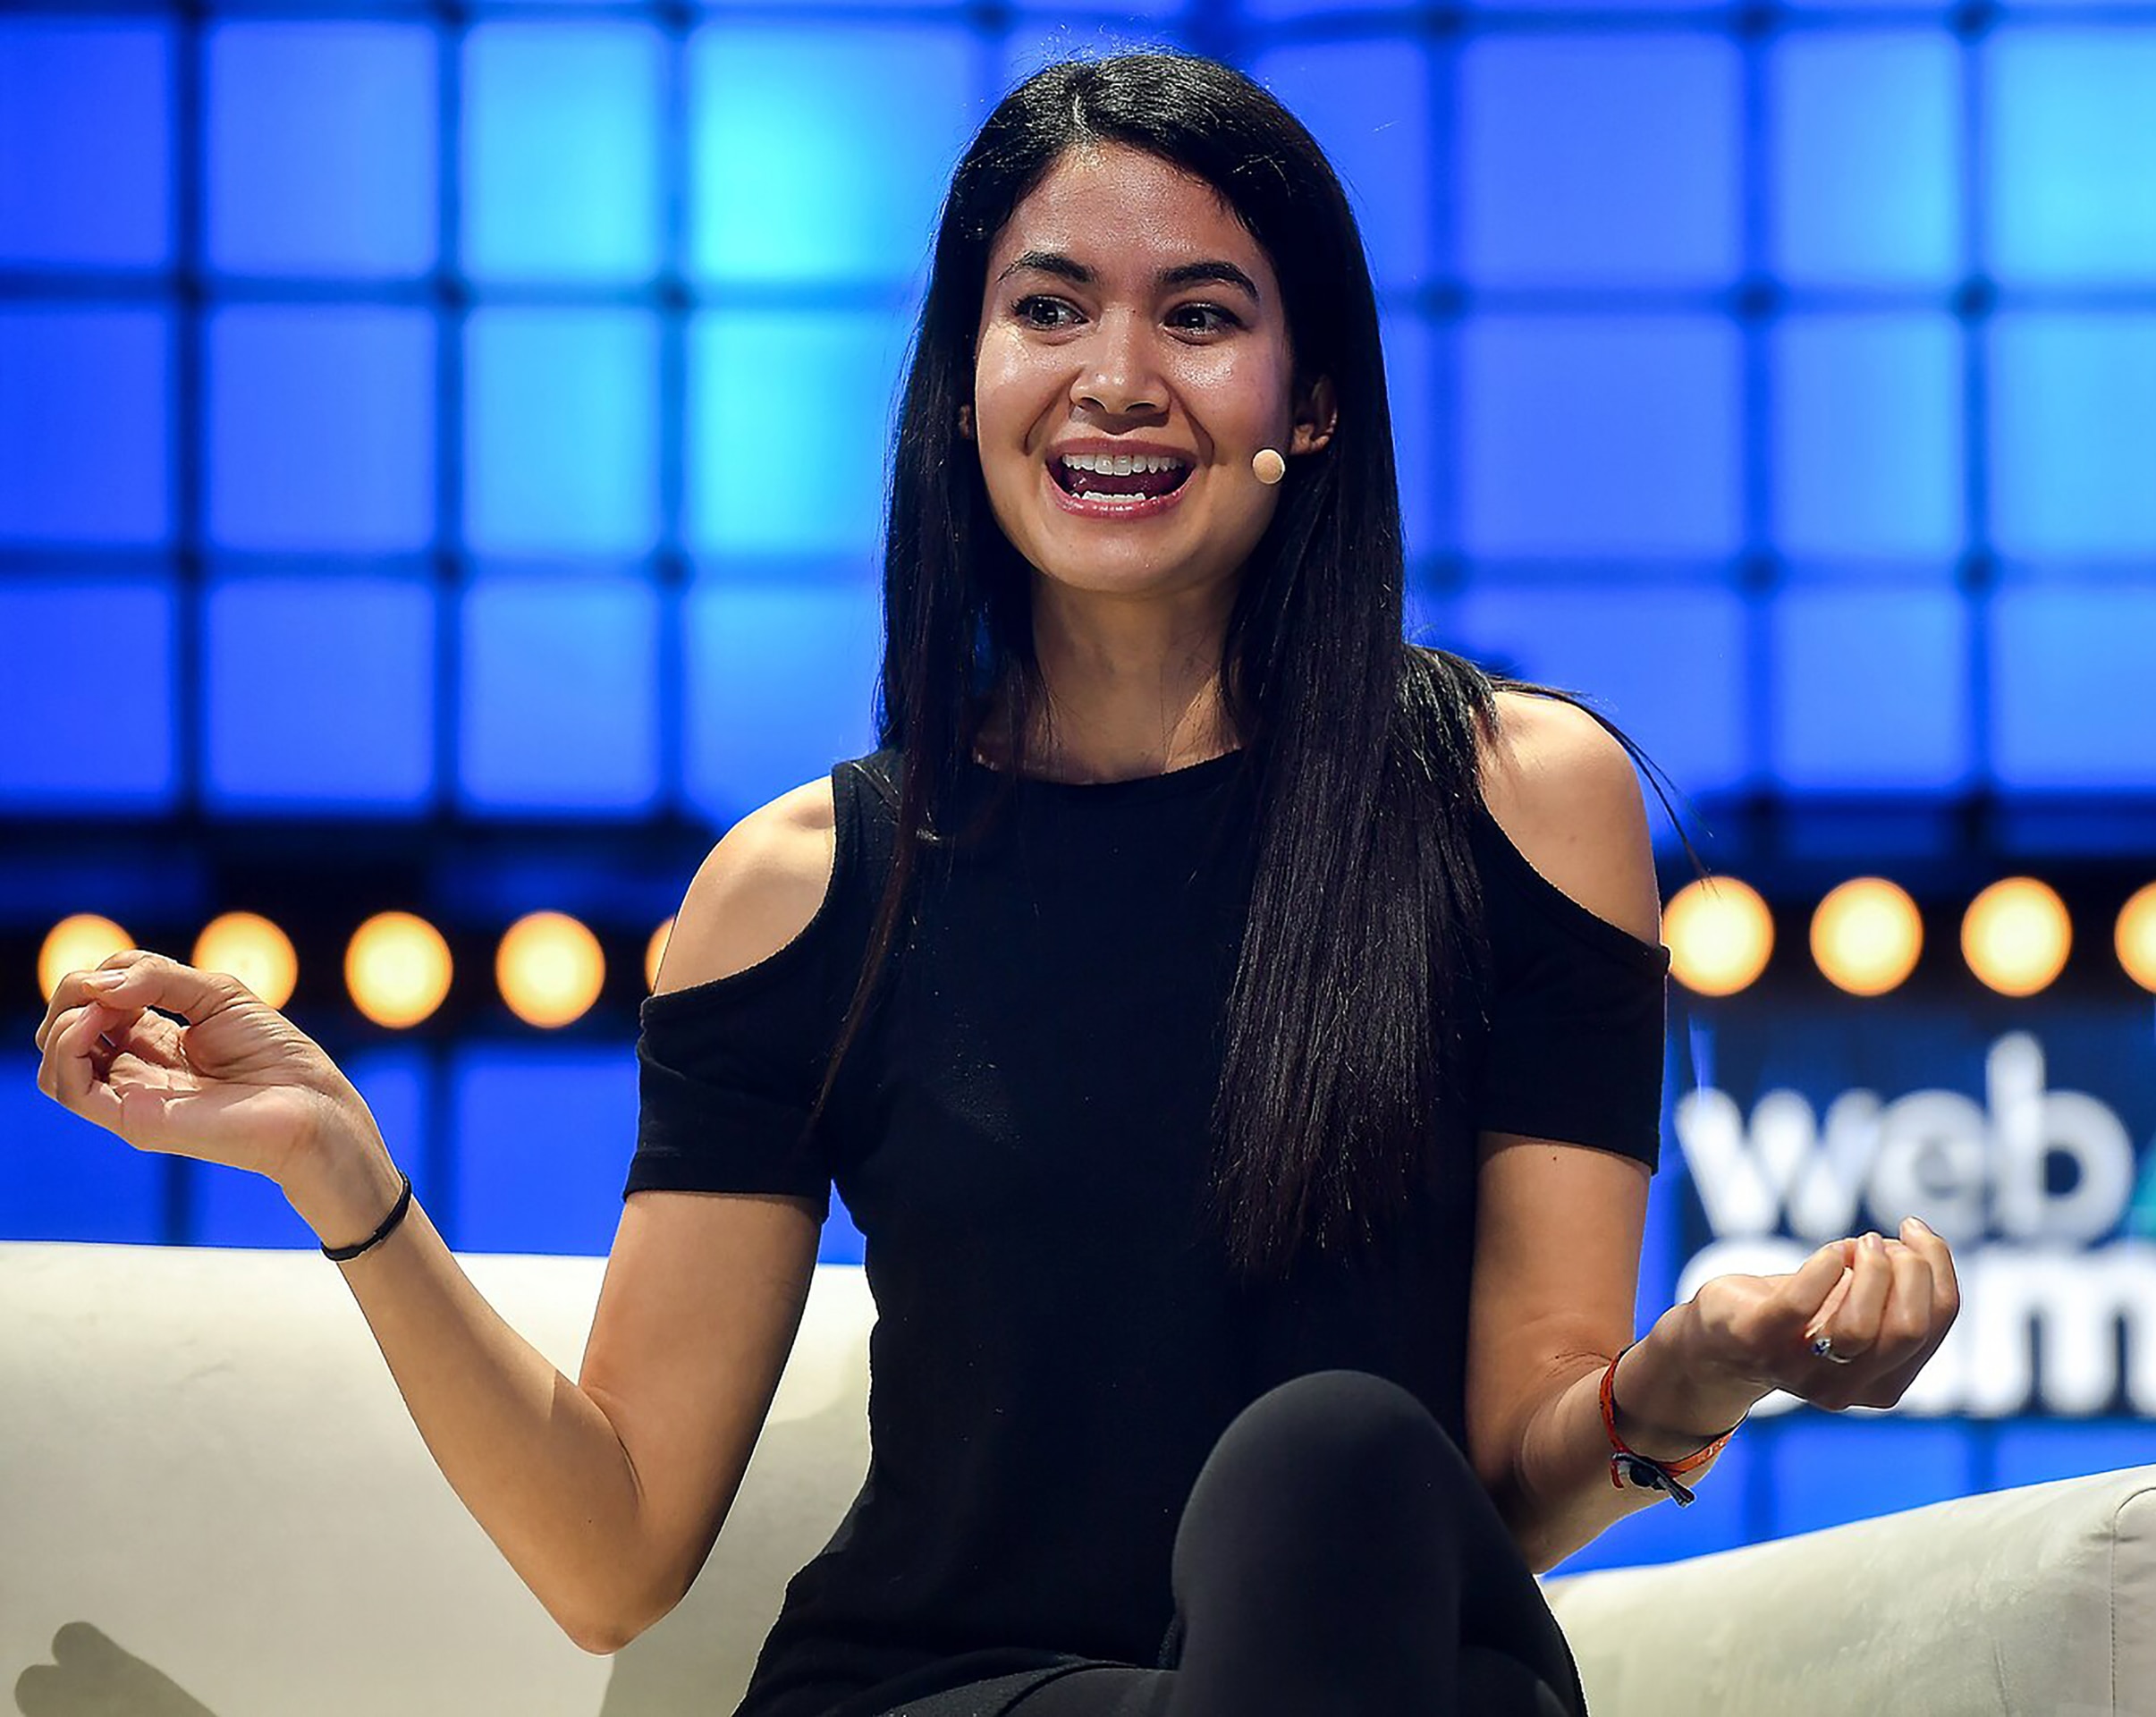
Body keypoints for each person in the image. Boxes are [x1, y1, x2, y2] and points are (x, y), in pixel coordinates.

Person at [30, 49, 1959, 1717]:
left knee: (1345, 1466)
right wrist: (344, 1175)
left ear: (1313, 403)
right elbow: (613, 1549)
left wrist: (1682, 1386)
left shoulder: (1520, 799)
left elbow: (1509, 1470)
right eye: (1049, 311)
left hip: (1381, 1666)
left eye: (1200, 316)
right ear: (966, 381)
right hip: (967, 1694)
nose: (1116, 380)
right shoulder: (802, 890)